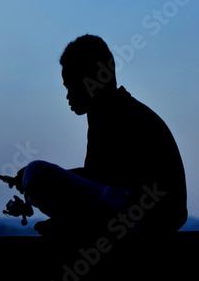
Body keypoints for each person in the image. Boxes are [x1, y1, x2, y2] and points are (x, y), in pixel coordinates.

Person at [10, 35, 187, 239]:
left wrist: (34, 177)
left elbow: (102, 179)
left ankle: (82, 224)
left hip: (150, 216)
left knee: (36, 172)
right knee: (36, 176)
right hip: (153, 215)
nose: (68, 95)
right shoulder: (111, 112)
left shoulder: (120, 114)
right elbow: (99, 177)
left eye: (71, 85)